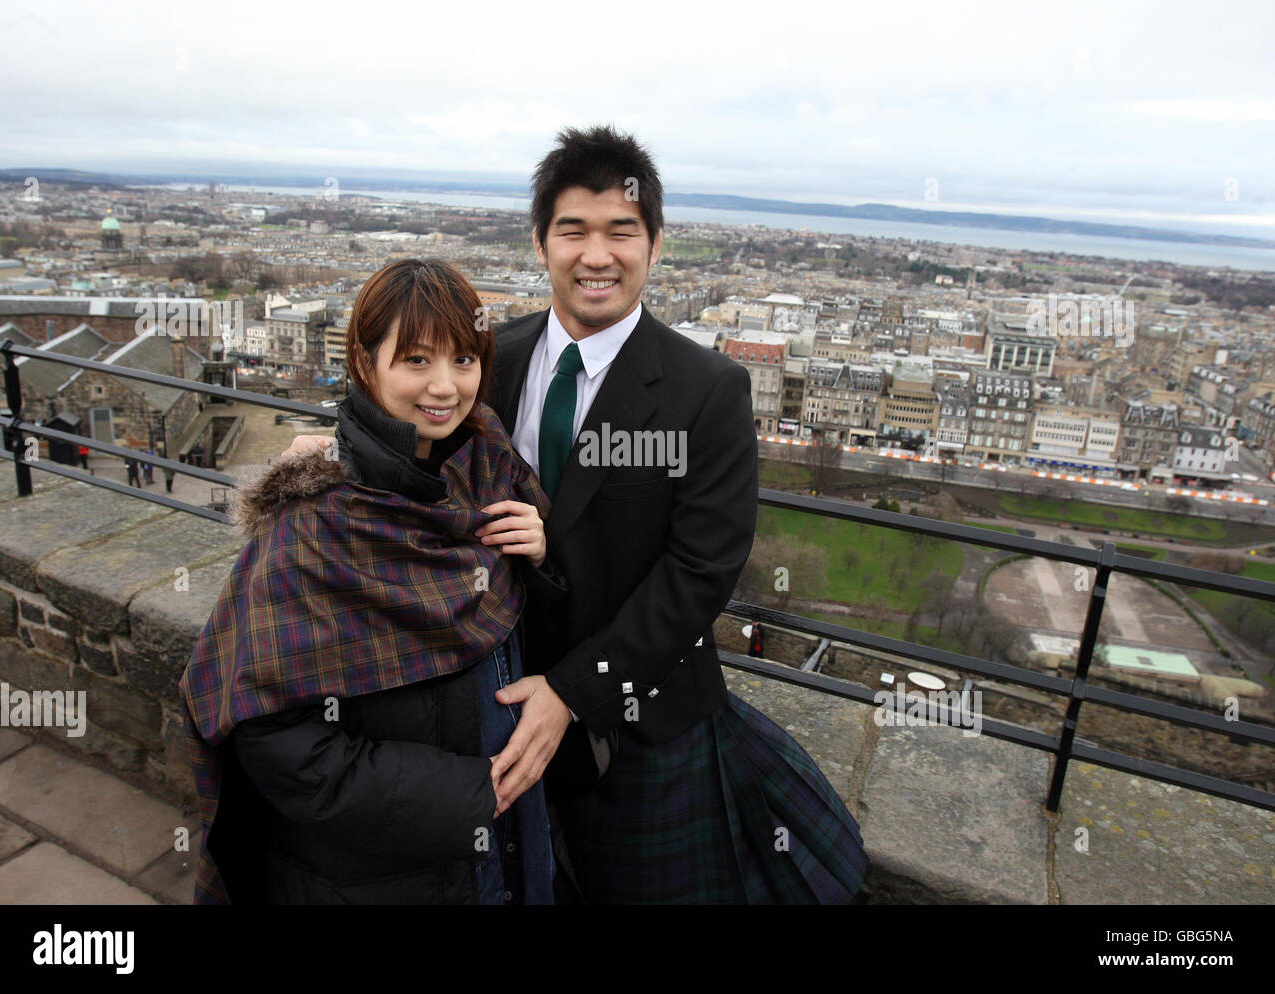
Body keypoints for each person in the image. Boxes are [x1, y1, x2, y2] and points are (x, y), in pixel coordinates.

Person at [484, 125, 868, 903]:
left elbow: (699, 573)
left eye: (621, 231)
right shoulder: (493, 358)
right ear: (539, 243)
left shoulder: (706, 391)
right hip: (502, 698)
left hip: (636, 722)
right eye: (574, 231)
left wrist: (572, 692)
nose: (598, 255)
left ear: (655, 244)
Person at [181, 259, 564, 904]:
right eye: (416, 360)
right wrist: (471, 793)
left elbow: (518, 634)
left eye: (464, 360)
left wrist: (543, 558)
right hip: (376, 874)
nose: (445, 386)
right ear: (366, 363)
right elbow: (274, 739)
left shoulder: (490, 466)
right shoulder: (311, 527)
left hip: (505, 843)